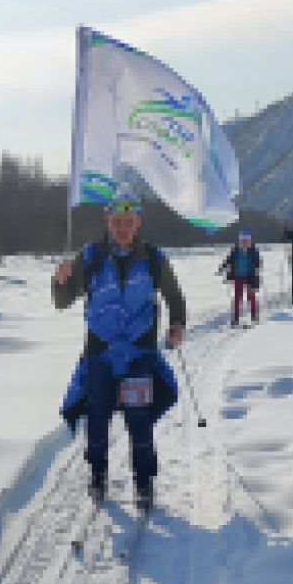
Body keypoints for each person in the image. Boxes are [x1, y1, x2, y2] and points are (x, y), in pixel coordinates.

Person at [52, 190, 185, 512]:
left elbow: (174, 296)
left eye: (128, 221)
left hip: (139, 354)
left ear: (138, 222)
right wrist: (60, 280)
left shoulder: (154, 259)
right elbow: (62, 301)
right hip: (99, 354)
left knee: (138, 419)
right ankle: (97, 475)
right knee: (97, 418)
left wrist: (177, 324)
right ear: (107, 222)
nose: (122, 228)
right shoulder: (90, 257)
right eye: (116, 222)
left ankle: (144, 481)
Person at [218, 227, 263, 327]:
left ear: (249, 241)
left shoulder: (253, 250)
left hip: (249, 276)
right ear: (240, 240)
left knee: (251, 296)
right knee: (238, 297)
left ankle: (254, 316)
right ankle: (236, 318)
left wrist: (257, 267)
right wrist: (223, 266)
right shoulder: (235, 250)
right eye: (243, 240)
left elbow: (258, 262)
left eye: (246, 240)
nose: (244, 242)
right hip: (238, 276)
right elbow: (229, 260)